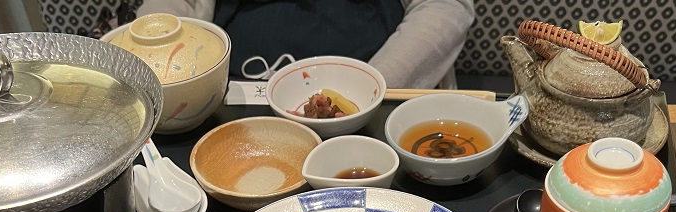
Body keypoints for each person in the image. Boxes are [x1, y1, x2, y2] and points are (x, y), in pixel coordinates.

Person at [136, 0, 475, 89]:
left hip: (378, 89)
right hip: (229, 91)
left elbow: (444, 7)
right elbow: (170, 7)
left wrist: (369, 88)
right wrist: (163, 70)